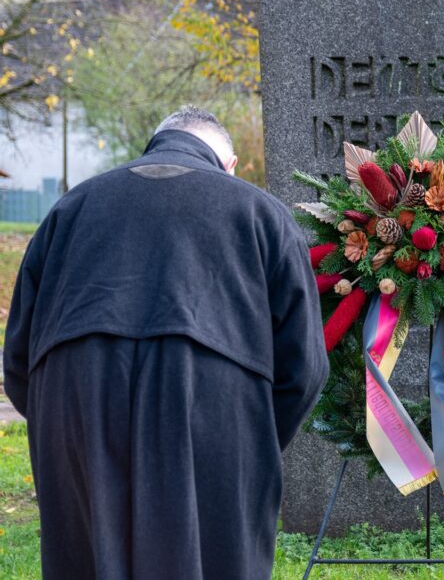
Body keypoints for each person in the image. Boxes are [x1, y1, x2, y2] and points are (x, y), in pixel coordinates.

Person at [3, 105, 328, 579]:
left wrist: (63, 426)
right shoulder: (261, 213)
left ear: (151, 148)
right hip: (215, 396)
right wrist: (252, 435)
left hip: (75, 391)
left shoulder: (71, 208)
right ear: (230, 163)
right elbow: (305, 368)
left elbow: (18, 356)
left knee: (90, 558)